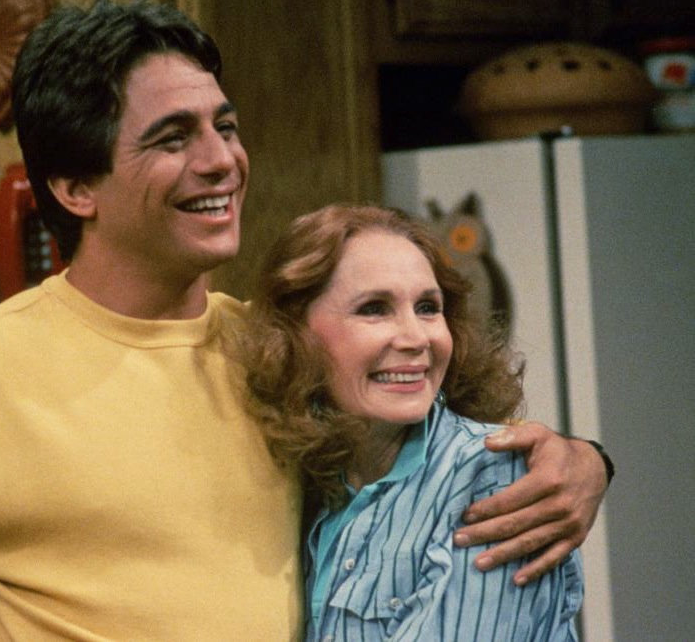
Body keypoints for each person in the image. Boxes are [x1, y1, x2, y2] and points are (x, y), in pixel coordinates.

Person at [0, 0, 608, 641]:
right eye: (173, 137)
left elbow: (430, 468)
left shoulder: (277, 350)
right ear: (76, 186)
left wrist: (586, 461)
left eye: (225, 125)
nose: (223, 160)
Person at [241, 203, 584, 640]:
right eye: (374, 309)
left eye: (427, 307)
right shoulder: (306, 484)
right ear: (295, 334)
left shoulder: (493, 476)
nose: (416, 337)